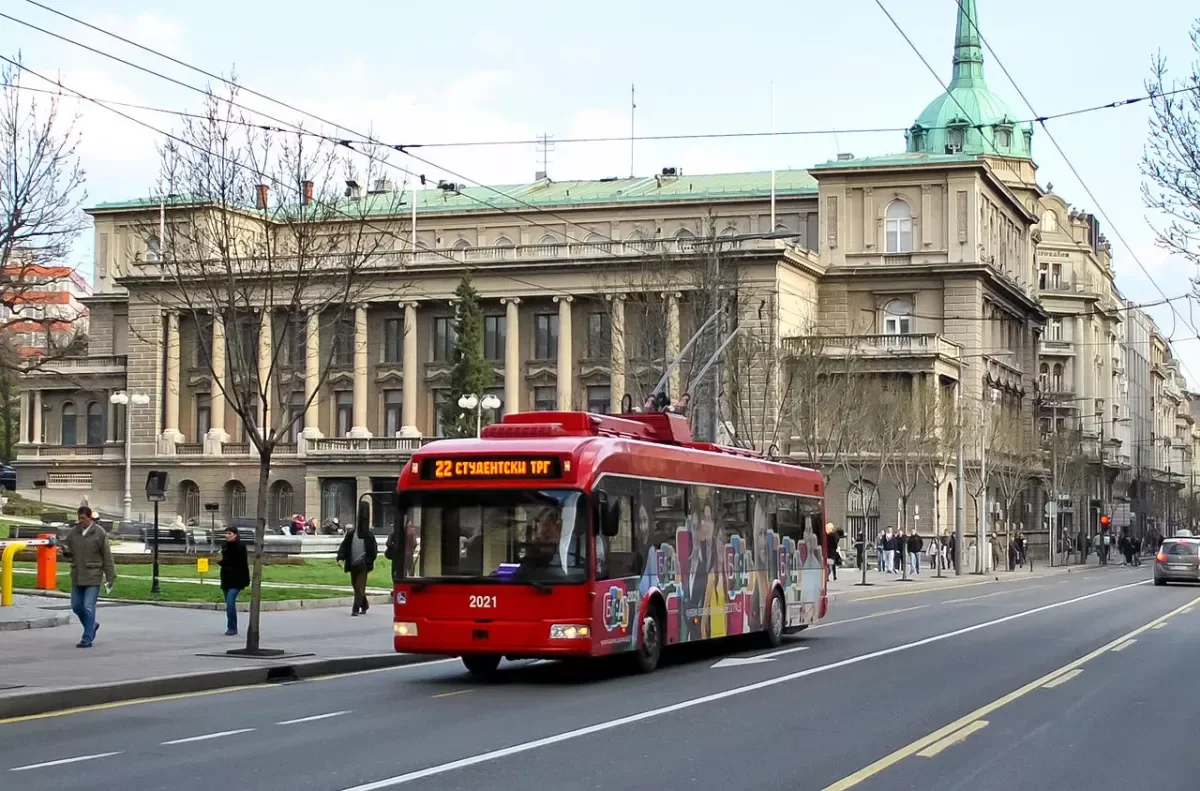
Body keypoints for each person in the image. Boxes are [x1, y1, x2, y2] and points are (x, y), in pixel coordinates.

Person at [61, 506, 115, 648]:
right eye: (79, 518)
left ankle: (87, 637)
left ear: (90, 518)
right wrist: (65, 553)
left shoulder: (99, 533)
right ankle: (92, 626)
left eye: (83, 518)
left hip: (93, 575)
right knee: (76, 606)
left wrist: (110, 576)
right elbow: (67, 548)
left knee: (88, 607)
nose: (81, 521)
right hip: (77, 574)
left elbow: (107, 556)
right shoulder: (74, 533)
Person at [337, 521, 378, 615]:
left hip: (363, 565)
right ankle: (364, 605)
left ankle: (355, 609)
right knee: (355, 586)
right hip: (352, 564)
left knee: (360, 587)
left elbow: (373, 550)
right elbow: (344, 547)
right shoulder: (351, 534)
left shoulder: (368, 535)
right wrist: (340, 558)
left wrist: (368, 561)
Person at [218, 526, 250, 636]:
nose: (227, 535)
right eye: (226, 533)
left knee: (231, 602)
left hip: (237, 579)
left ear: (235, 534)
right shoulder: (225, 546)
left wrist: (245, 580)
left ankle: (231, 627)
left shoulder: (240, 547)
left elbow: (242, 564)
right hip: (226, 579)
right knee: (228, 604)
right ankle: (232, 626)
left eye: (229, 533)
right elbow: (224, 561)